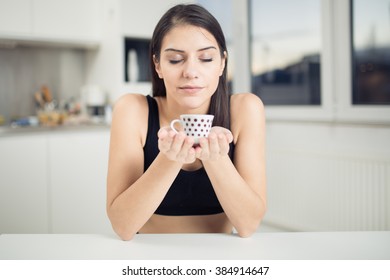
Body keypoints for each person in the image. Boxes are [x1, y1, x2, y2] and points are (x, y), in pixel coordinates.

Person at [106, 4, 266, 241]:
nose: (191, 71)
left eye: (206, 58)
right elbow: (122, 225)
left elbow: (248, 225)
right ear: (158, 65)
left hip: (221, 257)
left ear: (222, 63)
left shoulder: (245, 109)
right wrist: (169, 159)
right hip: (148, 257)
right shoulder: (133, 110)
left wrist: (217, 159)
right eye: (175, 60)